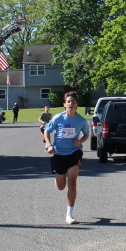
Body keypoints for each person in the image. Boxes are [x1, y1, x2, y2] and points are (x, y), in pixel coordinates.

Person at [43, 91, 91, 224]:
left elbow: (86, 135)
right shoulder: (58, 118)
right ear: (64, 104)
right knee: (61, 186)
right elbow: (46, 131)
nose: (71, 103)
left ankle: (69, 215)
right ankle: (59, 177)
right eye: (68, 101)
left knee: (72, 181)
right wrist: (48, 145)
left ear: (77, 105)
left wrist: (80, 141)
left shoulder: (81, 120)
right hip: (59, 154)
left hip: (74, 153)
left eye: (73, 101)